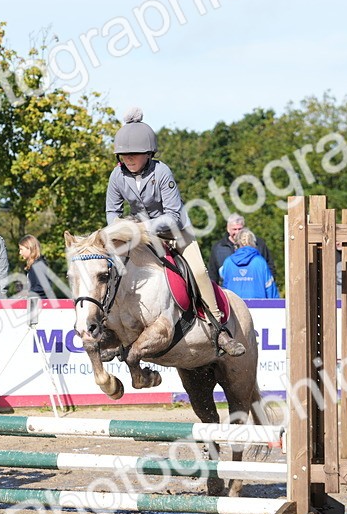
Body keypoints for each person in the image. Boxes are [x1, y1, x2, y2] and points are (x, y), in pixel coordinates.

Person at [105, 108, 245, 356]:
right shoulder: (117, 175)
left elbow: (173, 215)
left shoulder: (161, 172)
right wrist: (119, 230)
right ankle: (112, 329)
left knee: (199, 271)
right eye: (124, 154)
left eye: (133, 154)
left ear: (148, 153)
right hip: (141, 235)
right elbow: (111, 213)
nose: (128, 158)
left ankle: (219, 329)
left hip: (174, 231)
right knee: (112, 267)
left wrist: (141, 227)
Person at [208, 214, 275, 287]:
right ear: (228, 229)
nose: (237, 233)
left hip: (255, 289)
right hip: (228, 291)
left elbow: (269, 267)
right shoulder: (218, 248)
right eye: (234, 229)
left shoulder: (259, 244)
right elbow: (213, 273)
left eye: (240, 229)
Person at [218, 229, 279, 299]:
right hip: (259, 307)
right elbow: (270, 289)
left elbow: (224, 287)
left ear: (237, 244)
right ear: (253, 242)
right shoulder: (260, 262)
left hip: (234, 307)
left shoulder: (228, 262)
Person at [18, 235, 54, 299]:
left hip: (41, 304)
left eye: (21, 249)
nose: (20, 252)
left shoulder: (38, 265)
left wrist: (28, 294)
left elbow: (42, 288)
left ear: (29, 248)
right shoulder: (33, 265)